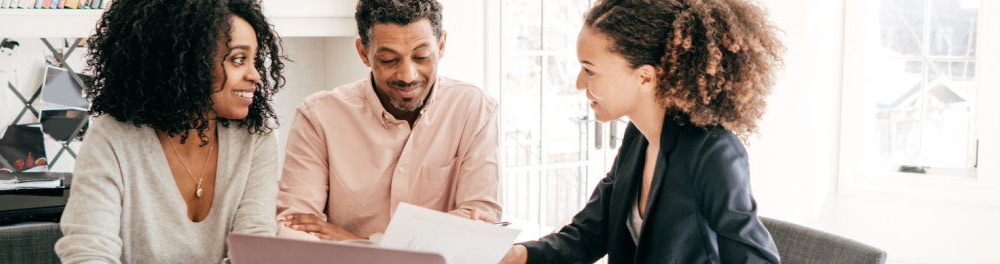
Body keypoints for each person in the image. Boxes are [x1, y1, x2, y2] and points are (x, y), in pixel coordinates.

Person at [498, 0, 785, 263]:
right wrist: (517, 255)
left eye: (590, 70)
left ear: (645, 77)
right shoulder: (637, 138)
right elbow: (589, 235)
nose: (578, 83)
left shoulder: (711, 150)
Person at [54, 0, 288, 262]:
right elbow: (88, 252)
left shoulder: (256, 135)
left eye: (254, 60)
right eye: (238, 59)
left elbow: (253, 248)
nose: (255, 75)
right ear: (188, 61)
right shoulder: (112, 137)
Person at [275, 0, 501, 242]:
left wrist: (362, 242)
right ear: (364, 53)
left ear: (442, 46)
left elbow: (479, 224)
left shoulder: (475, 109)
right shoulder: (317, 116)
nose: (408, 76)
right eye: (389, 60)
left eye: (421, 57)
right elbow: (296, 228)